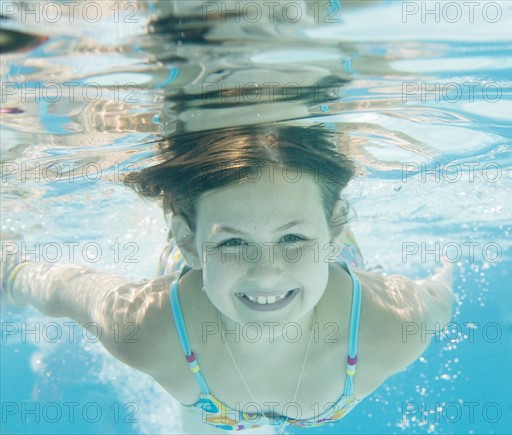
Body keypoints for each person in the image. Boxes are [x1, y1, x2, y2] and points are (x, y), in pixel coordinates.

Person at [1, 124, 454, 434]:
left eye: (293, 237)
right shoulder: (150, 330)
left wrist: (445, 273)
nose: (265, 272)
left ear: (335, 233)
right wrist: (13, 274)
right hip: (204, 378)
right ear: (189, 244)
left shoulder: (391, 326)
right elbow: (63, 288)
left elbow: (438, 299)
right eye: (232, 243)